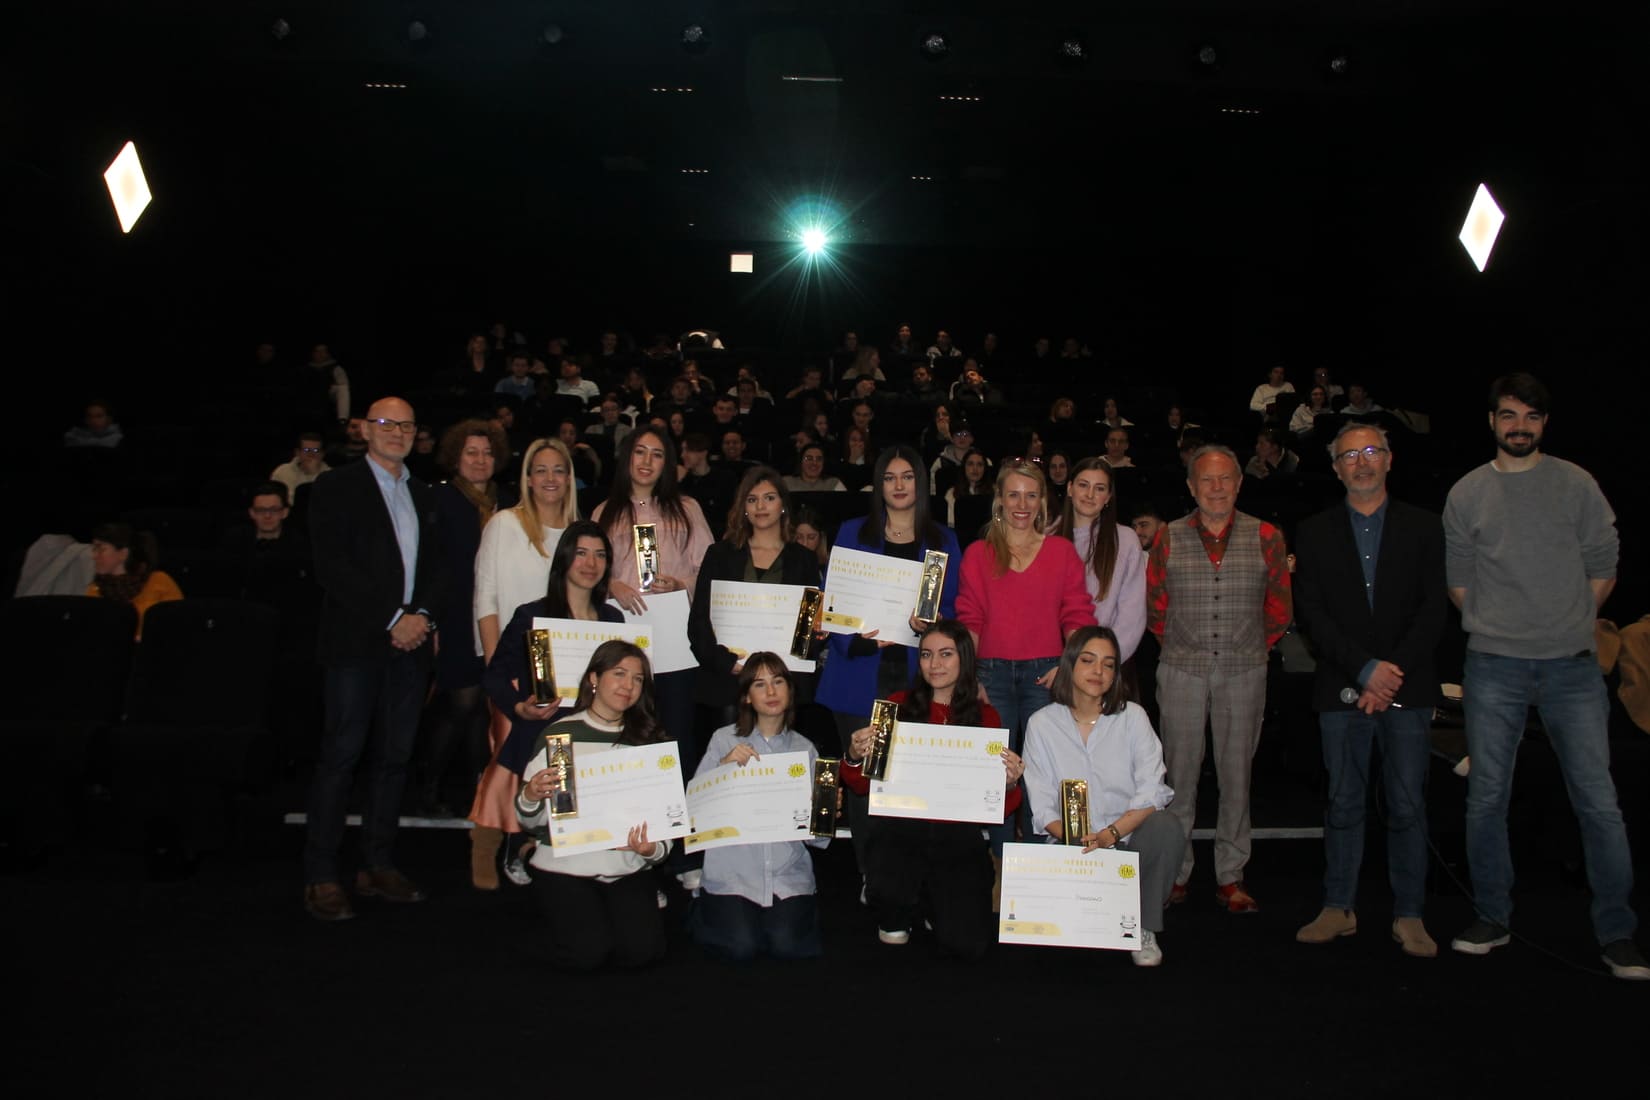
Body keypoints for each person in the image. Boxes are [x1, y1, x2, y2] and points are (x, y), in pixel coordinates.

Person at [1442, 373, 1646, 978]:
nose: (1520, 427)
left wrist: (1570, 620)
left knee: (1599, 804)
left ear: (1544, 424)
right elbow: (1459, 580)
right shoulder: (1467, 493)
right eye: (1509, 415)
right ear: (1491, 421)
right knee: (1485, 799)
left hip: (1572, 667)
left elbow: (1604, 561)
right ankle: (1492, 916)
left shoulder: (1576, 484)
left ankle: (1617, 933)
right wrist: (1499, 622)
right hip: (1494, 664)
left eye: (1531, 416)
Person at [1291, 424, 1447, 958]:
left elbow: (1433, 609)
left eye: (1370, 451)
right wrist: (1364, 670)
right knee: (1343, 803)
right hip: (1342, 685)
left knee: (1407, 805)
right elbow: (1312, 614)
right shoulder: (1312, 533)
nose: (1361, 462)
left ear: (1389, 460)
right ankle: (1339, 907)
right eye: (1348, 455)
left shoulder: (1426, 528)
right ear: (1335, 468)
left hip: (1409, 686)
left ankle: (1410, 914)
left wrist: (1389, 672)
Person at [303, 396, 442, 921]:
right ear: (364, 429)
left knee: (394, 758)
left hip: (410, 648)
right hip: (356, 646)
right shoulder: (334, 488)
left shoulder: (425, 494)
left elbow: (440, 568)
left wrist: (422, 616)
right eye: (386, 423)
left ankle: (377, 863)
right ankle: (321, 872)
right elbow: (332, 567)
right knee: (341, 757)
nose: (397, 432)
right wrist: (394, 618)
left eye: (407, 425)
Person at [1147, 444, 1291, 913]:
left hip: (1244, 670)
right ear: (1190, 487)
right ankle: (1176, 872)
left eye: (1224, 478)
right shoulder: (1167, 537)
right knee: (1178, 780)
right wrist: (1187, 646)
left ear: (1239, 483)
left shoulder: (1267, 536)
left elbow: (1279, 609)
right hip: (1182, 670)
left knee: (1237, 777)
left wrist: (1247, 647)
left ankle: (1231, 875)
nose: (1215, 488)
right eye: (1206, 480)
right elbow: (1156, 607)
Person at [842, 621, 1023, 955]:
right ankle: (896, 906)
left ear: (963, 660)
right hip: (902, 833)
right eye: (926, 655)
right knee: (893, 927)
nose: (934, 664)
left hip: (956, 838)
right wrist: (854, 756)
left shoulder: (986, 718)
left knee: (968, 944)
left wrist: (1009, 782)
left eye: (945, 654)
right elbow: (858, 783)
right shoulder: (896, 705)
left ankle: (927, 901)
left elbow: (1001, 806)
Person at [1023, 626, 1183, 967]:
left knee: (1166, 826)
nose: (1098, 671)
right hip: (1070, 844)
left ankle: (1142, 925)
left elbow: (1152, 790)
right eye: (1088, 660)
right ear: (1069, 664)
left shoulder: (1133, 718)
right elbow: (1041, 803)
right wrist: (1077, 838)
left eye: (1109, 664)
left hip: (1126, 839)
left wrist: (1111, 834)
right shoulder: (1041, 724)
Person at [515, 641, 672, 971]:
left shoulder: (650, 740)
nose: (628, 685)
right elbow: (529, 820)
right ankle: (531, 864)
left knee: (643, 952)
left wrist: (650, 850)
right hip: (565, 863)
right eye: (619, 674)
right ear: (593, 679)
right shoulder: (561, 736)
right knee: (587, 955)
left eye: (638, 678)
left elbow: (665, 826)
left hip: (624, 867)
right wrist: (530, 795)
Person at [470, 438, 579, 887]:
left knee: (556, 762)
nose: (550, 478)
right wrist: (500, 675)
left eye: (559, 469)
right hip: (514, 667)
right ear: (527, 478)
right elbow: (486, 598)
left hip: (566, 670)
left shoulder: (579, 531)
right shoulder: (503, 524)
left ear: (569, 478)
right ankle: (485, 848)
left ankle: (535, 845)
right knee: (507, 759)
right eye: (541, 469)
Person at [690, 654, 827, 961]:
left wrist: (824, 811)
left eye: (778, 682)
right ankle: (702, 907)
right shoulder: (723, 740)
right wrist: (723, 770)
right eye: (760, 684)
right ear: (746, 697)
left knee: (787, 946)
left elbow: (818, 838)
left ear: (791, 691)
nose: (771, 692)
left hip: (786, 872)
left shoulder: (805, 749)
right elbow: (695, 817)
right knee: (742, 947)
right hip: (733, 872)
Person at [956, 458, 1095, 753]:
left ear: (1042, 501)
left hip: (1047, 675)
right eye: (1014, 494)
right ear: (1000, 500)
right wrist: (969, 678)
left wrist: (1068, 667)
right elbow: (970, 620)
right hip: (990, 676)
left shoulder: (1062, 552)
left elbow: (1077, 616)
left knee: (1043, 774)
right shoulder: (978, 554)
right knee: (992, 773)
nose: (1022, 504)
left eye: (1031, 495)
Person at [593, 428, 714, 758]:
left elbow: (710, 571)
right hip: (623, 640)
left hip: (676, 641)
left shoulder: (687, 509)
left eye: (657, 454)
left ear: (668, 463)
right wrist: (610, 585)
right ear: (627, 458)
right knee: (626, 736)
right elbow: (586, 573)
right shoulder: (603, 513)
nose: (647, 461)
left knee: (677, 735)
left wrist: (680, 585)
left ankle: (680, 808)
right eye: (640, 451)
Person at [420, 420, 511, 820]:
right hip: (456, 618)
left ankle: (480, 785)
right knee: (462, 704)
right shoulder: (440, 501)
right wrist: (433, 621)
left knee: (484, 708)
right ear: (456, 457)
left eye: (487, 452)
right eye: (471, 452)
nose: (480, 460)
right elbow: (432, 567)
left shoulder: (506, 502)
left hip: (497, 617)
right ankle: (427, 784)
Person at [689, 468, 821, 724]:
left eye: (769, 498)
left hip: (785, 683)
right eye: (752, 499)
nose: (761, 506)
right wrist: (728, 663)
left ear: (783, 505)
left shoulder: (804, 559)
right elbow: (699, 624)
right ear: (743, 507)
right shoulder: (719, 554)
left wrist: (815, 636)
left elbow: (810, 628)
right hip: (727, 682)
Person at [1058, 459, 1147, 666]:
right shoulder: (1047, 536)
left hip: (1104, 664)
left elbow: (1132, 616)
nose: (1090, 495)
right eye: (1083, 485)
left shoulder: (1125, 539)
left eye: (1099, 488)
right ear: (1070, 488)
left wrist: (1103, 662)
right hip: (1053, 664)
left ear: (1108, 497)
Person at [86, 522, 183, 638]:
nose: (94, 555)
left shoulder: (159, 581)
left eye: (101, 549)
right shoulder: (95, 589)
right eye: (94, 549)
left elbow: (179, 625)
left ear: (123, 554)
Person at [270, 431, 331, 501]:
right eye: (306, 450)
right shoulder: (282, 472)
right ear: (297, 452)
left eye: (315, 450)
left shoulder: (330, 475)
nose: (311, 454)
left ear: (322, 454)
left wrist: (313, 474)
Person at [943, 449, 993, 529]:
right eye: (970, 464)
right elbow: (950, 523)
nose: (975, 469)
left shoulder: (994, 492)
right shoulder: (952, 493)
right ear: (964, 467)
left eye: (980, 465)